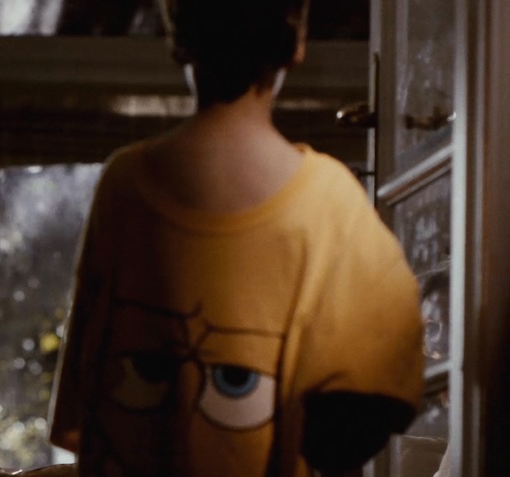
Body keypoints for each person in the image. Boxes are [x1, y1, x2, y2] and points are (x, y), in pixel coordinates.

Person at [48, 1, 425, 476]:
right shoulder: (330, 201)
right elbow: (385, 388)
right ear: (296, 45)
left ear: (178, 41)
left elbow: (86, 386)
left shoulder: (123, 185)